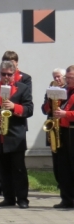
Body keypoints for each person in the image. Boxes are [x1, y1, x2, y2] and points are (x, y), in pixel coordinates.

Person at [0, 60, 34, 208]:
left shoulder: (22, 88)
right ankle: (8, 198)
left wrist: (14, 106)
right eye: (3, 74)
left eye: (9, 75)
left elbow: (29, 109)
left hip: (16, 136)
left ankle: (22, 199)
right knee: (3, 170)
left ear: (14, 74)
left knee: (19, 169)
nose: (6, 77)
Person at [48, 66, 74, 208]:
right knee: (64, 168)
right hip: (64, 132)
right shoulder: (66, 92)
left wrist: (66, 114)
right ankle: (66, 199)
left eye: (70, 78)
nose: (67, 80)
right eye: (67, 77)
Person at [43, 68, 67, 204]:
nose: (56, 79)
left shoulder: (68, 92)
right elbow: (44, 109)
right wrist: (49, 100)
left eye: (58, 77)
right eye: (54, 77)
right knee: (56, 161)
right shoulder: (50, 90)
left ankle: (65, 187)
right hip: (53, 125)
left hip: (64, 127)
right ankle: (59, 182)